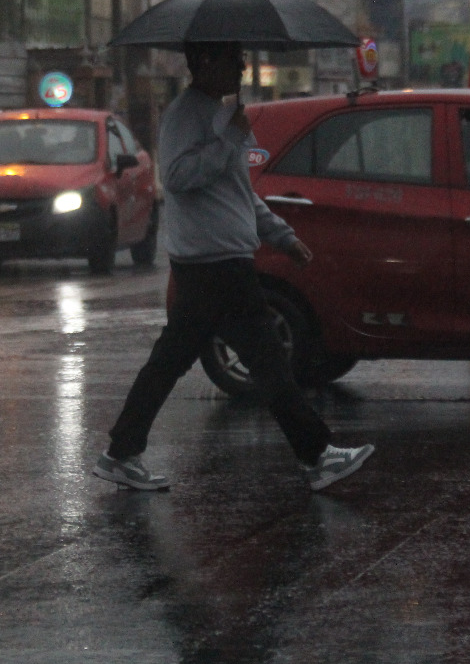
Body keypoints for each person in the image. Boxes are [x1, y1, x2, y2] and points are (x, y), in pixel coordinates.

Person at [94, 41, 374, 493]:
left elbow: (238, 194)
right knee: (265, 359)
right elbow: (180, 179)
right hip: (213, 262)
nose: (242, 69)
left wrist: (282, 236)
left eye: (242, 61)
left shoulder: (219, 115)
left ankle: (121, 452)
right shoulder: (187, 115)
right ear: (205, 63)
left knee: (177, 360)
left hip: (221, 259)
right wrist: (228, 137)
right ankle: (316, 454)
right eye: (234, 61)